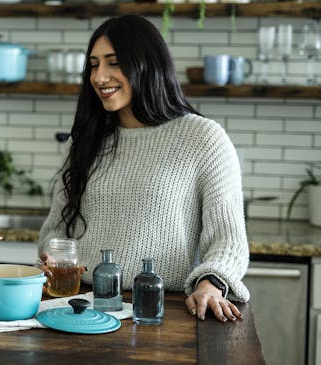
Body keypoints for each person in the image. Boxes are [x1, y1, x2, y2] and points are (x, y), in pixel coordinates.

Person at [38, 14, 250, 322]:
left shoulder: (202, 137)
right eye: (94, 65)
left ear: (147, 65)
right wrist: (51, 257)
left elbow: (228, 240)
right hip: (79, 308)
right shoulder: (84, 141)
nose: (100, 77)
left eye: (114, 62)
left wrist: (211, 284)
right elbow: (56, 230)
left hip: (159, 310)